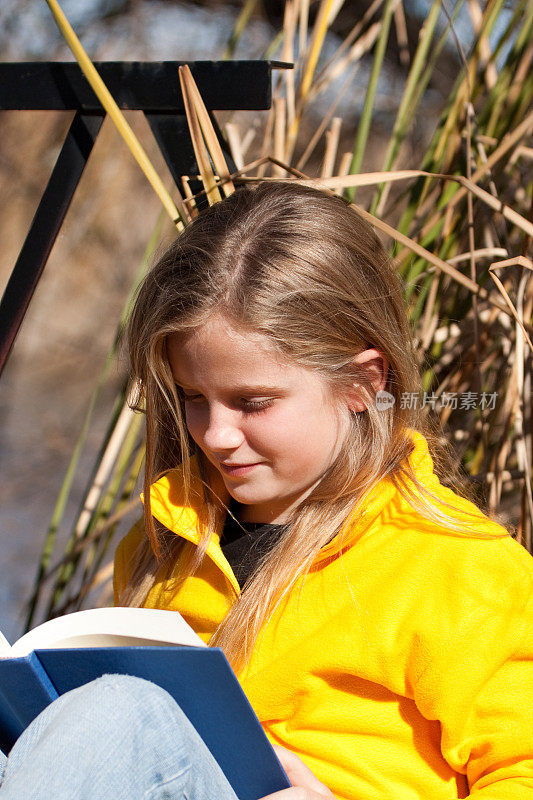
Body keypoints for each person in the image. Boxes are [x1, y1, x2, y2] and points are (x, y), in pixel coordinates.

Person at [2, 181, 533, 798]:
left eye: (253, 402)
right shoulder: (168, 543)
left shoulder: (459, 566)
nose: (216, 435)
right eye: (193, 399)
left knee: (119, 718)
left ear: (362, 383)